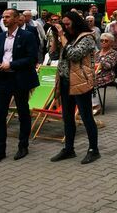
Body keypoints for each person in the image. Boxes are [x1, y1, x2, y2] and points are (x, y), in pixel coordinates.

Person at [50, 11, 100, 164]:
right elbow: (53, 53)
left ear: (75, 23)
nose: (65, 27)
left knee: (86, 117)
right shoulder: (68, 37)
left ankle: (93, 150)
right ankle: (69, 148)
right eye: (63, 24)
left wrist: (62, 37)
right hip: (65, 81)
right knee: (67, 117)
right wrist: (56, 37)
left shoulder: (87, 37)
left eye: (67, 24)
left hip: (80, 82)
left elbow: (74, 55)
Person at [0, 9, 39, 163]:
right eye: (3, 17)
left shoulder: (27, 36)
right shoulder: (0, 37)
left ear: (16, 19)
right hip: (3, 79)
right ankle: (0, 149)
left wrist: (11, 64)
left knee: (22, 112)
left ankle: (23, 146)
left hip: (20, 78)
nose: (4, 19)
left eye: (7, 17)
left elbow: (32, 58)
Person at [93, 33, 117, 114]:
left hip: (107, 75)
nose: (103, 42)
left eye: (106, 40)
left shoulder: (113, 53)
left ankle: (96, 106)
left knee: (91, 82)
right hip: (96, 74)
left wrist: (99, 63)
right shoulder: (97, 53)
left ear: (111, 42)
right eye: (101, 40)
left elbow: (108, 65)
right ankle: (84, 105)